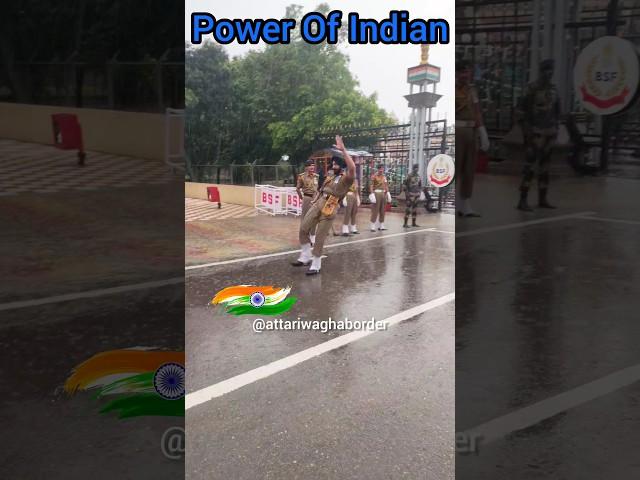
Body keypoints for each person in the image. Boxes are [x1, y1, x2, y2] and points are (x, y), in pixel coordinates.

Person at [292, 135, 355, 275]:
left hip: (330, 206)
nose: (334, 166)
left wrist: (343, 150)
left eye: (337, 164)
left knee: (320, 236)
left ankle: (316, 264)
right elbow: (321, 189)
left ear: (342, 167)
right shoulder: (330, 177)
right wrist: (315, 200)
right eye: (333, 164)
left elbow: (352, 167)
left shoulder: (346, 179)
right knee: (303, 228)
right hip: (319, 203)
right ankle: (305, 256)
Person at [517, 59, 561, 211]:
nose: (549, 73)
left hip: (549, 133)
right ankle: (522, 199)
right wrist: (526, 132)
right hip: (534, 133)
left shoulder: (554, 90)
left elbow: (557, 111)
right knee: (529, 167)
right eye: (546, 69)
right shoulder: (532, 89)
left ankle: (543, 198)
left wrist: (556, 128)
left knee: (545, 168)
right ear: (541, 71)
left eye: (551, 70)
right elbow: (521, 112)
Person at [455, 59, 489, 217]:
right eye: (462, 72)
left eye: (467, 72)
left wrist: (482, 132)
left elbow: (477, 111)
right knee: (455, 169)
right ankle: (453, 203)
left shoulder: (472, 90)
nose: (464, 75)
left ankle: (465, 204)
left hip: (471, 131)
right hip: (457, 130)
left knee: (469, 169)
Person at [296, 160, 319, 243]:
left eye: (313, 165)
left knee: (315, 217)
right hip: (307, 198)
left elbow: (317, 189)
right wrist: (302, 197)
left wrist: (317, 197)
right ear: (306, 167)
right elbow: (297, 188)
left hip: (315, 199)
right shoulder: (302, 177)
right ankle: (303, 236)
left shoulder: (316, 176)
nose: (312, 167)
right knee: (305, 218)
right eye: (310, 165)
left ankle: (313, 235)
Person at [369, 164, 389, 231]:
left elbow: (386, 185)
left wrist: (388, 193)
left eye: (382, 169)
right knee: (375, 210)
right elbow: (371, 185)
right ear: (378, 169)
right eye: (380, 168)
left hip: (383, 193)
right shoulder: (374, 176)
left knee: (383, 210)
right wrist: (372, 194)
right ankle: (372, 224)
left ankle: (381, 225)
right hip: (377, 193)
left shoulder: (384, 177)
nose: (381, 170)